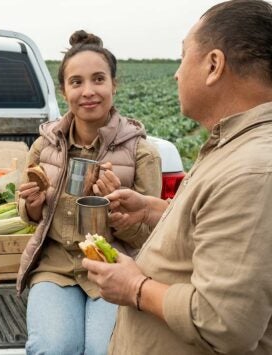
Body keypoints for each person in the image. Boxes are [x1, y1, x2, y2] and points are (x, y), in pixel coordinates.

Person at [82, 1, 272, 354]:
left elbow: (223, 323)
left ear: (214, 65)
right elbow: (210, 227)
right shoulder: (235, 146)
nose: (176, 73)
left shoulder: (253, 172)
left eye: (184, 56)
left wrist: (135, 287)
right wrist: (153, 211)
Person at [16, 30, 162, 355]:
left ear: (114, 85)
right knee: (53, 348)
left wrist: (119, 212)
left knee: (103, 349)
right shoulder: (44, 146)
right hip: (55, 266)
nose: (88, 92)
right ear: (63, 90)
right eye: (77, 82)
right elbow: (28, 213)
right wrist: (33, 204)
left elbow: (150, 238)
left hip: (116, 267)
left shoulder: (142, 153)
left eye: (98, 79)